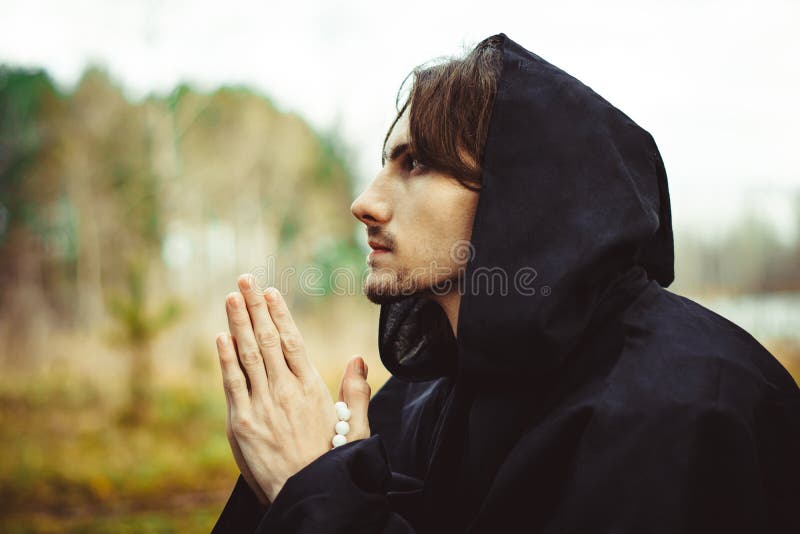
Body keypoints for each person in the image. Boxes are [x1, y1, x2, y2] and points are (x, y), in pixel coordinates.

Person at [210, 33, 800, 533]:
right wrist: (288, 481)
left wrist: (313, 493)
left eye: (415, 163)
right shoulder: (421, 398)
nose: (365, 202)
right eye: (385, 160)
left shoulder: (685, 410)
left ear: (522, 195)